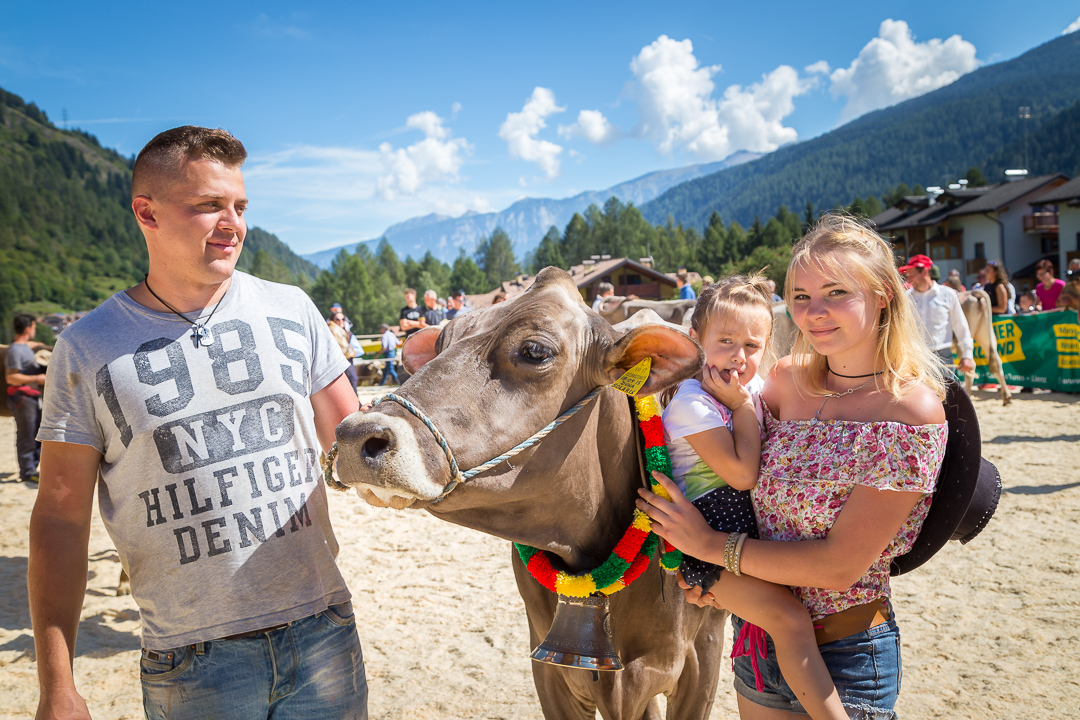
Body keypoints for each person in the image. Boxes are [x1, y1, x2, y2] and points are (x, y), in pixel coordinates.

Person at [29, 126, 367, 720]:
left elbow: (359, 445)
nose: (232, 222)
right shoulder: (87, 347)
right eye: (209, 205)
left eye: (239, 206)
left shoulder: (292, 309)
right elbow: (58, 520)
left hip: (323, 632)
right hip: (193, 658)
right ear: (146, 213)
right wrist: (58, 686)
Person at [639, 214, 948, 718]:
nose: (815, 312)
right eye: (801, 297)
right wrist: (716, 579)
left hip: (847, 651)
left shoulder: (909, 411)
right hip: (757, 642)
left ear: (885, 293)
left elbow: (839, 566)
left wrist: (710, 547)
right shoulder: (781, 382)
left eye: (835, 292)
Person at [661, 276, 847, 720]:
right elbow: (743, 475)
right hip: (708, 538)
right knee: (789, 620)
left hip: (744, 537)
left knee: (792, 616)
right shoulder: (694, 402)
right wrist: (742, 408)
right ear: (696, 341)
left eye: (752, 344)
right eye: (725, 341)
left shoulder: (753, 388)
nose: (739, 357)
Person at [899, 254, 976, 377]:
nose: (909, 279)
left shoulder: (948, 294)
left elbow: (961, 326)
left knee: (947, 395)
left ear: (924, 271)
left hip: (943, 357)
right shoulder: (906, 298)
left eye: (912, 274)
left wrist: (967, 355)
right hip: (915, 358)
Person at [6, 313, 47, 483]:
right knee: (27, 434)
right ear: (28, 328)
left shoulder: (24, 347)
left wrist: (41, 345)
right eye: (34, 327)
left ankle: (33, 468)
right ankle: (27, 471)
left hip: (31, 397)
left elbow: (30, 344)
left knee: (35, 432)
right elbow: (11, 377)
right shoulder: (15, 350)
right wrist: (37, 379)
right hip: (22, 397)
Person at [329, 310, 360, 394]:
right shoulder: (335, 330)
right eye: (337, 319)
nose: (341, 321)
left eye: (343, 319)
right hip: (342, 360)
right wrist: (352, 351)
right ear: (333, 320)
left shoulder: (341, 330)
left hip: (343, 360)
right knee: (352, 380)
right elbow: (344, 348)